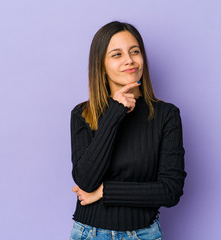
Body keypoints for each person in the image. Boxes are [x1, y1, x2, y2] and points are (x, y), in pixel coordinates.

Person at [69, 21, 187, 240]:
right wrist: (116, 112)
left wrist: (104, 191)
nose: (129, 60)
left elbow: (170, 190)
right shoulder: (82, 114)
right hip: (90, 234)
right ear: (101, 66)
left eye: (135, 52)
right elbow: (85, 180)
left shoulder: (166, 115)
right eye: (116, 55)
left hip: (143, 234)